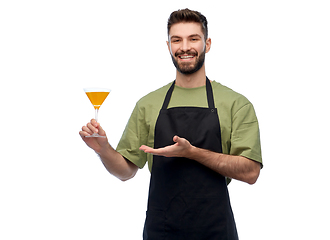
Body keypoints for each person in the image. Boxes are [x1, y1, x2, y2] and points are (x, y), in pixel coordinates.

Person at [80, 8, 262, 240]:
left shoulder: (236, 103)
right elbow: (126, 171)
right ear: (168, 46)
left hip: (216, 231)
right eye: (177, 40)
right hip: (161, 231)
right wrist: (103, 150)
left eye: (193, 39)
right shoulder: (148, 104)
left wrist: (192, 153)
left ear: (207, 44)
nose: (184, 47)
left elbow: (251, 172)